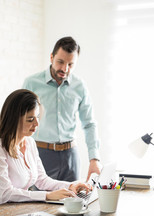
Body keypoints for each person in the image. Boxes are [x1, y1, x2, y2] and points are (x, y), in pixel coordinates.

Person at [0, 89, 91, 208]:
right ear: (14, 119)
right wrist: (47, 196)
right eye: (30, 119)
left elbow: (42, 180)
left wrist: (70, 186)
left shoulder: (30, 143)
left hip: (17, 209)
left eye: (37, 117)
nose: (37, 124)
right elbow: (6, 193)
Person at [22, 36, 101, 182]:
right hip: (40, 154)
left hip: (70, 156)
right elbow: (19, 122)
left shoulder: (80, 86)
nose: (65, 69)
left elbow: (89, 124)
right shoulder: (31, 83)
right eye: (60, 62)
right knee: (40, 203)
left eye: (71, 64)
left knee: (74, 202)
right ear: (51, 57)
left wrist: (94, 158)